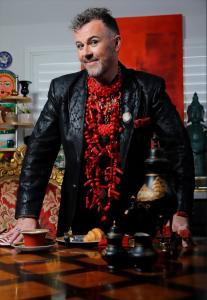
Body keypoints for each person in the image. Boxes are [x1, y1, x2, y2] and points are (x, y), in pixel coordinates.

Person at [0, 7, 194, 246]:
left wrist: (181, 212)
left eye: (93, 42)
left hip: (135, 226)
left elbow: (179, 151)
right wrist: (27, 215)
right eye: (80, 46)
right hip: (76, 226)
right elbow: (38, 155)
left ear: (116, 43)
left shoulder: (149, 89)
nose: (86, 53)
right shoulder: (62, 91)